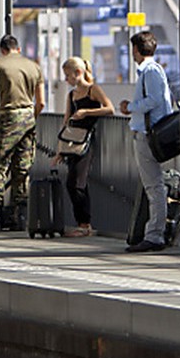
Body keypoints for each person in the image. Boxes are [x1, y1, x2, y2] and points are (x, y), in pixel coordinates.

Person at [0, 35, 44, 231]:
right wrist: (31, 117)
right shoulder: (34, 66)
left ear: (2, 49)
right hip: (28, 118)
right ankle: (20, 216)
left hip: (8, 117)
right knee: (22, 167)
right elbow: (41, 102)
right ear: (18, 49)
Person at [117, 30, 172, 253]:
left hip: (148, 135)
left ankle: (154, 235)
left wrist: (129, 107)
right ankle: (154, 232)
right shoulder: (153, 70)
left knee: (154, 186)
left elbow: (154, 100)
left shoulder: (149, 71)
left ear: (137, 50)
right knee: (154, 185)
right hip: (150, 133)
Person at [55, 56, 112, 237]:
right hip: (72, 140)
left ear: (78, 73)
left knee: (76, 182)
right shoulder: (71, 95)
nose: (66, 79)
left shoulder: (92, 90)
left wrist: (87, 112)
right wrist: (59, 149)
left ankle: (84, 224)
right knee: (74, 181)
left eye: (68, 75)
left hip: (86, 141)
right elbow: (66, 119)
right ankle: (82, 222)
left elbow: (109, 108)